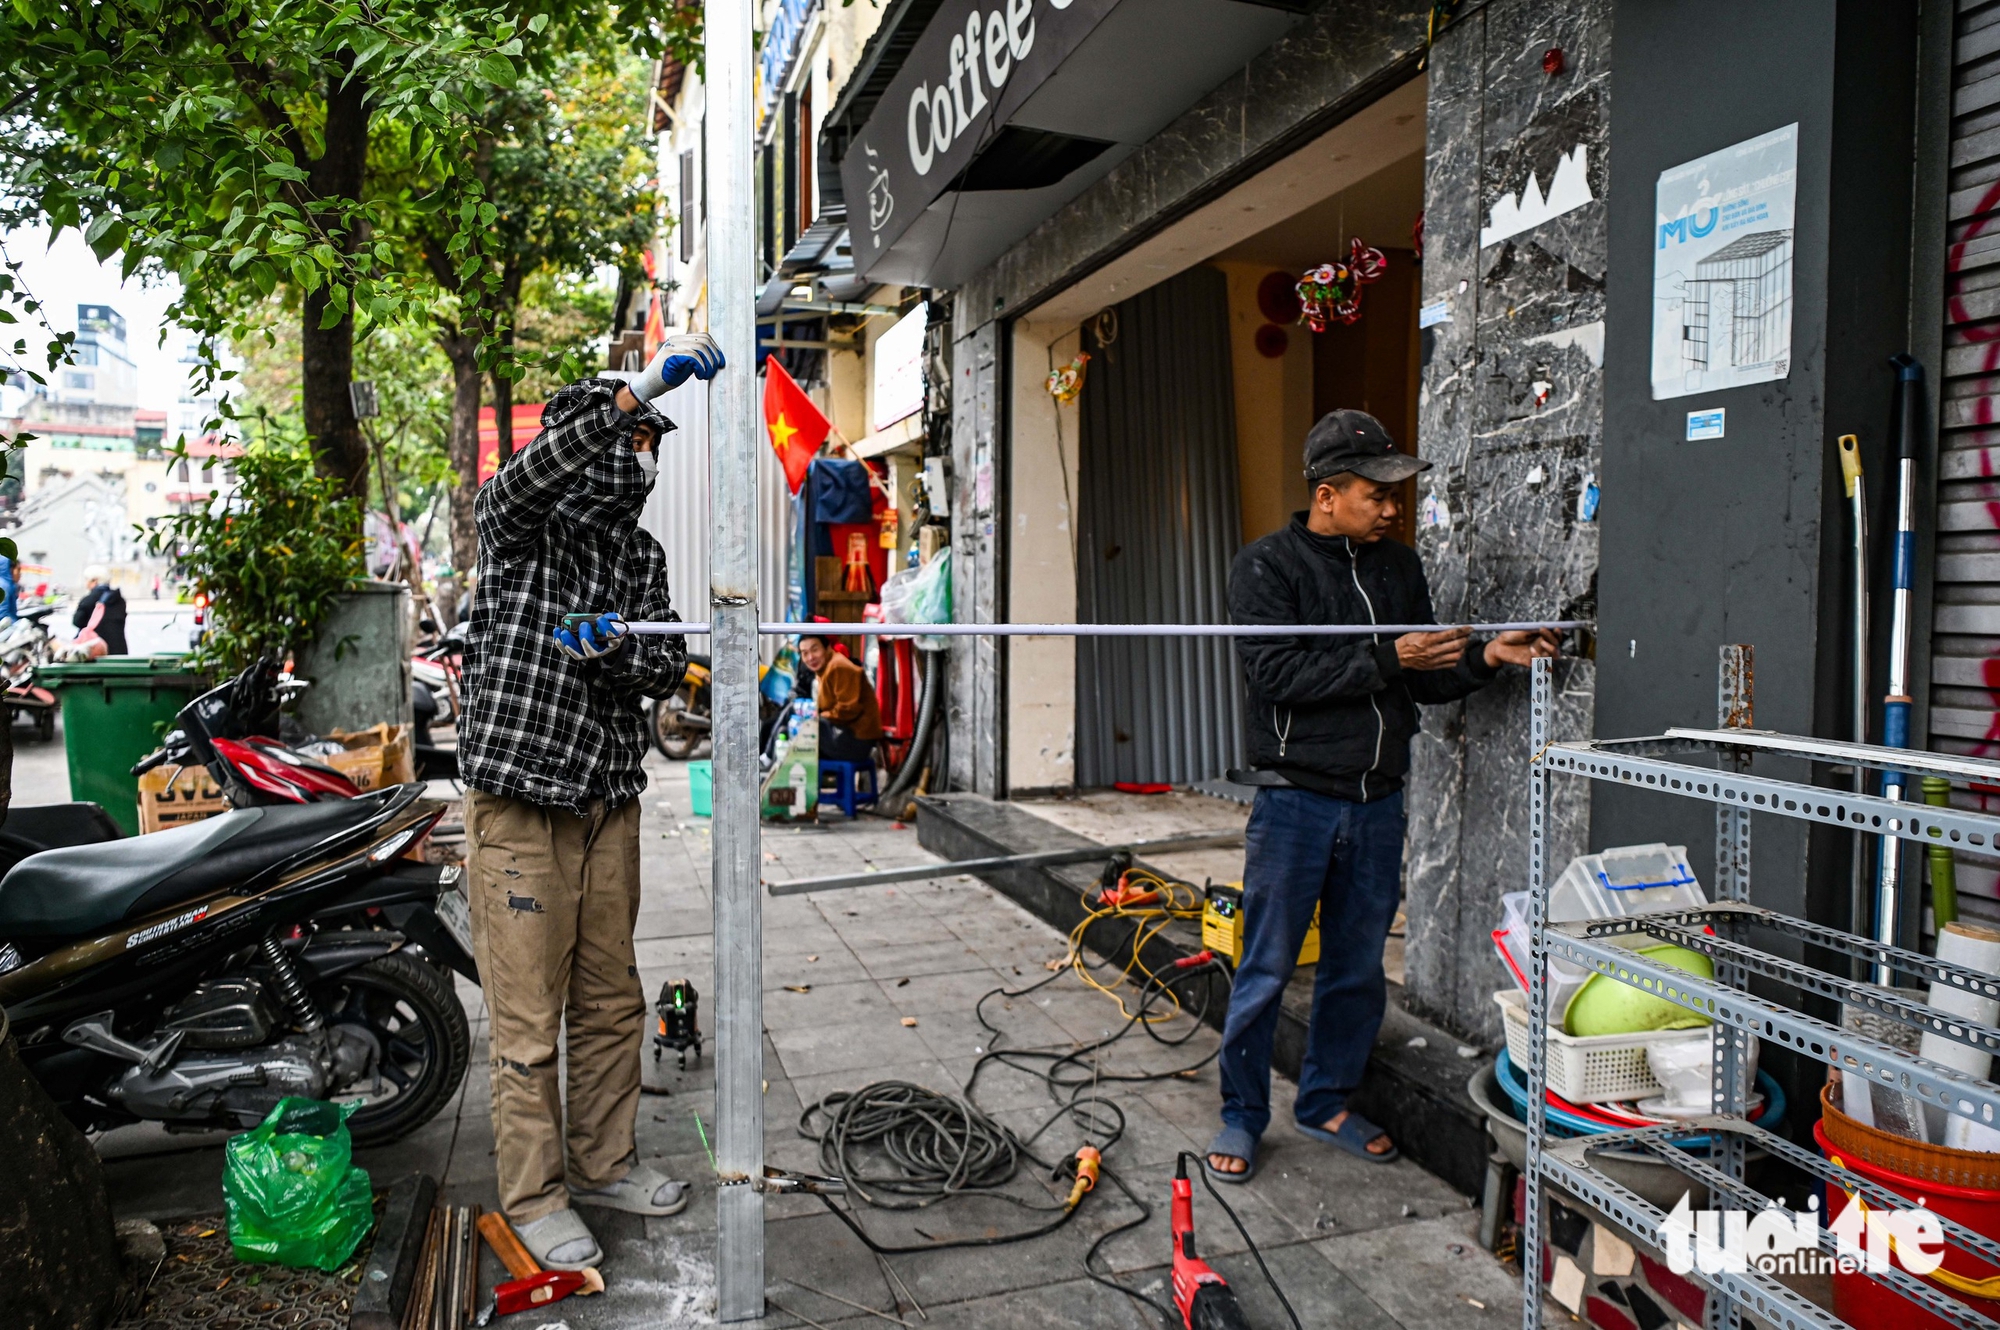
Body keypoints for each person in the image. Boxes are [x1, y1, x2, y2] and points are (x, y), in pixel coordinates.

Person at [1206, 409, 1557, 1183]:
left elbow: (1423, 677)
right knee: (1265, 966)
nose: (1394, 507)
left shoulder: (1399, 570)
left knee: (1357, 966)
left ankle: (1325, 1099)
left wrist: (1484, 657)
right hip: (1295, 800)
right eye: (1378, 493)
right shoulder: (1268, 568)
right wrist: (1384, 657)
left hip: (1377, 802)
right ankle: (1241, 1114)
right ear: (1328, 494)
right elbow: (1279, 678)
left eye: (1397, 493)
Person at [457, 333, 723, 1270]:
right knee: (528, 1023)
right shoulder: (522, 529)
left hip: (607, 801)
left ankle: (603, 1161)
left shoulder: (638, 556)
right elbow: (519, 482)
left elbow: (662, 663)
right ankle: (534, 1198)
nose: (644, 457)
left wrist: (613, 651)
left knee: (611, 1001)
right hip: (521, 806)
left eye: (653, 441)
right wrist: (636, 387)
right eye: (637, 436)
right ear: (595, 434)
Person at [796, 633, 883, 764]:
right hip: (844, 735)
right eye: (805, 653)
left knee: (803, 724)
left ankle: (768, 760)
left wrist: (817, 716)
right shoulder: (823, 669)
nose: (810, 657)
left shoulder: (838, 666)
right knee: (795, 721)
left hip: (857, 743)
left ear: (827, 648)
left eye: (815, 650)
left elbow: (848, 709)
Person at [72, 564, 127, 655]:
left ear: (94, 581)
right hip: (119, 651)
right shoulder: (120, 600)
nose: (86, 583)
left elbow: (77, 622)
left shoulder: (88, 600)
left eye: (87, 579)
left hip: (95, 651)